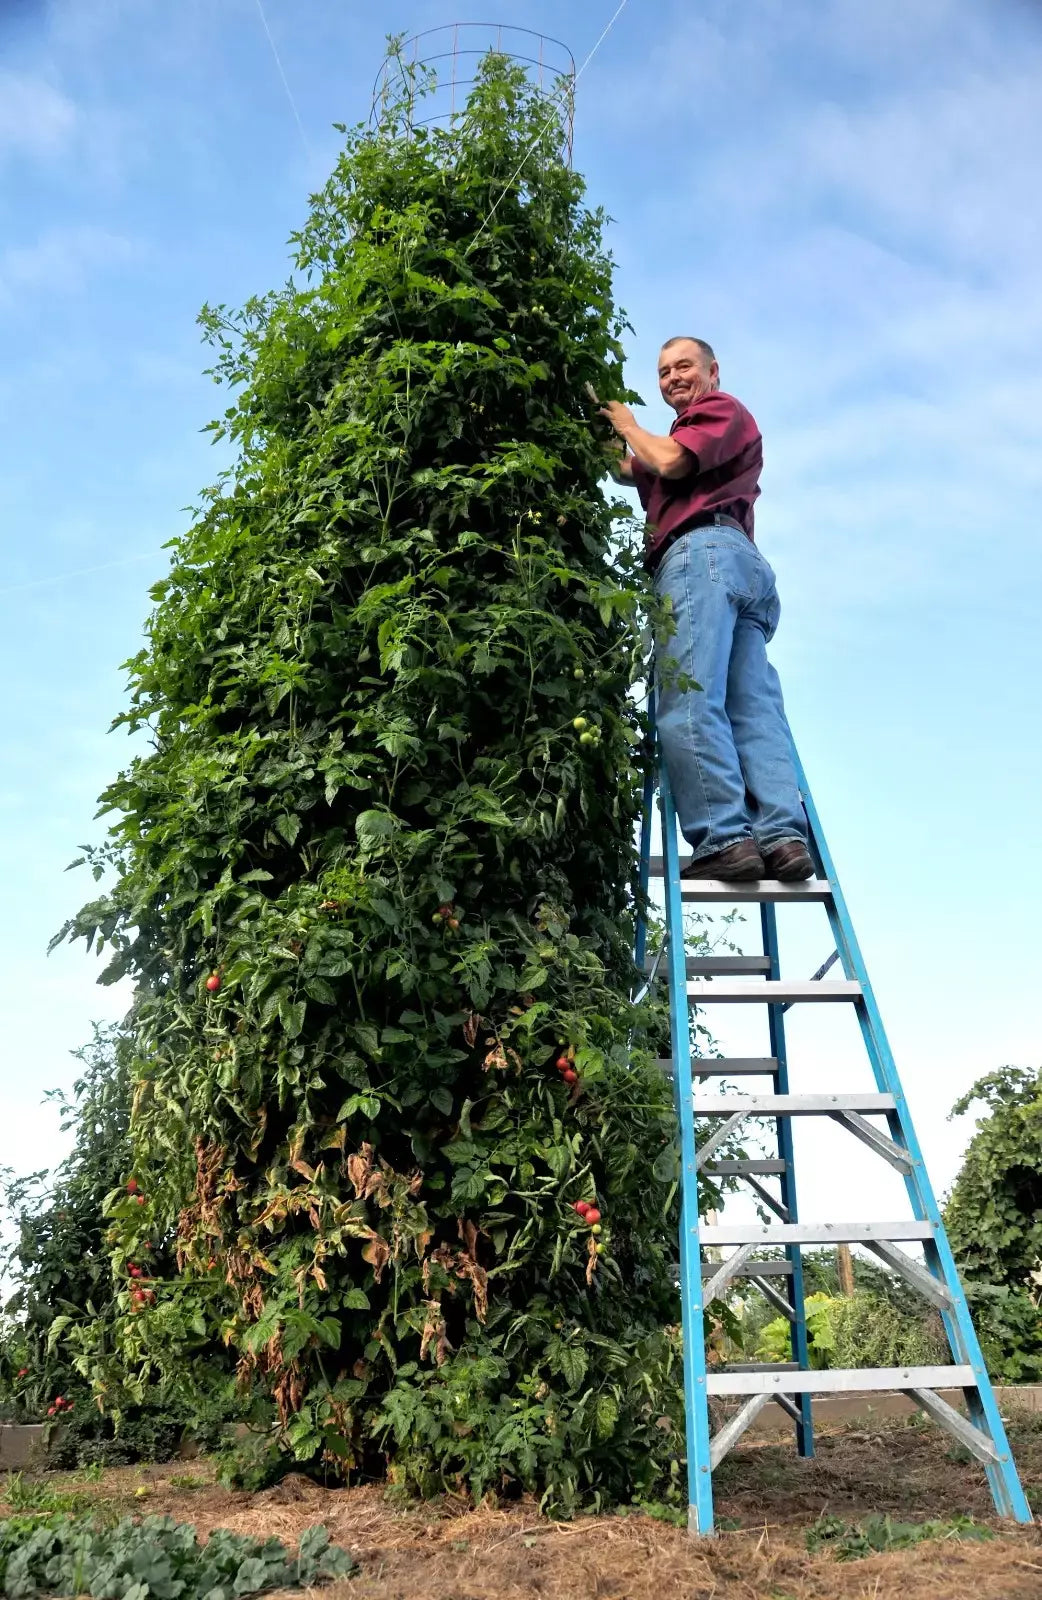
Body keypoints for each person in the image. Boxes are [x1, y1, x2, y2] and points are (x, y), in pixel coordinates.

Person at [600, 337, 813, 881]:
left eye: (684, 366)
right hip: (739, 566)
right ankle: (783, 838)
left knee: (689, 698)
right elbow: (635, 469)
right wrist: (592, 425)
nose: (672, 377)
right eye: (664, 371)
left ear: (712, 370)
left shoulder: (716, 411)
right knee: (752, 708)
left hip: (702, 557)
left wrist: (626, 420)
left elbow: (666, 460)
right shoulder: (687, 436)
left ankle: (724, 838)